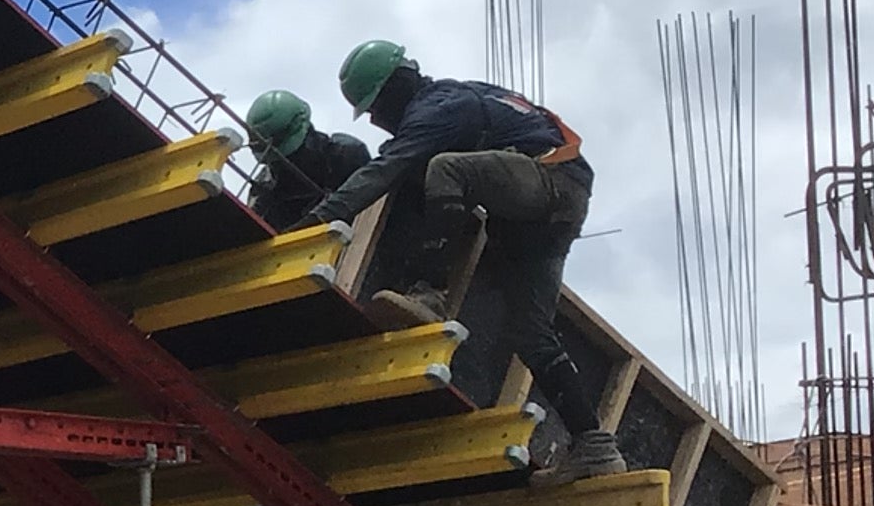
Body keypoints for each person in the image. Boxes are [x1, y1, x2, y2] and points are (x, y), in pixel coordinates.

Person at [313, 38, 623, 482]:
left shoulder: (437, 107)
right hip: (554, 206)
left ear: (395, 88)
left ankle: (430, 293)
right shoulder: (461, 96)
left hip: (548, 180)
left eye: (376, 109)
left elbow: (384, 170)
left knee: (444, 169)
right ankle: (595, 444)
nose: (378, 122)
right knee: (530, 333)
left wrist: (316, 222)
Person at [236, 89, 373, 226]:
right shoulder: (264, 188)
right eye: (274, 162)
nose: (282, 165)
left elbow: (372, 208)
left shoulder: (346, 155)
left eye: (290, 156)